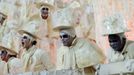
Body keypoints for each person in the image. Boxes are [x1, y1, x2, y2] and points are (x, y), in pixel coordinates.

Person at [52, 9, 106, 75]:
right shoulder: (61, 51)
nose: (62, 39)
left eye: (65, 36)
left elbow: (99, 68)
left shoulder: (85, 45)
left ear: (72, 35)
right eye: (61, 37)